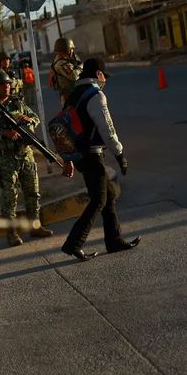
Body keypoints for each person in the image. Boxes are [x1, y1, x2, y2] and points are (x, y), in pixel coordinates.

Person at [60, 58, 141, 261]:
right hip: (92, 154)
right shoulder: (95, 95)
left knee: (109, 196)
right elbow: (107, 127)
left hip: (79, 154)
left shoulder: (73, 96)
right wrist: (119, 153)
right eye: (104, 75)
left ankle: (114, 241)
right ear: (98, 74)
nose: (105, 80)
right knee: (99, 200)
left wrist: (68, 158)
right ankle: (74, 244)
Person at [0, 70, 54, 246]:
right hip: (7, 157)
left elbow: (35, 118)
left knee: (33, 192)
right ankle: (11, 232)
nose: (7, 87)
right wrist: (4, 133)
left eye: (7, 84)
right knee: (10, 196)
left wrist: (29, 121)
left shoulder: (16, 102)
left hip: (25, 153)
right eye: (2, 85)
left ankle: (35, 226)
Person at [49, 37, 82, 104]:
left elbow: (77, 62)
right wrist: (81, 66)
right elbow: (74, 76)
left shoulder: (66, 59)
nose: (73, 51)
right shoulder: (61, 63)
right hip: (69, 96)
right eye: (71, 49)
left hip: (73, 93)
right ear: (67, 50)